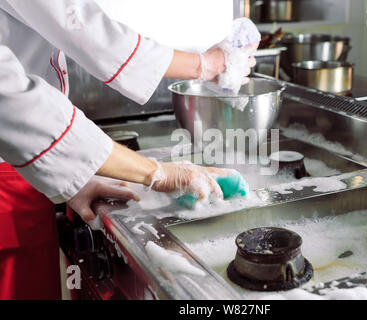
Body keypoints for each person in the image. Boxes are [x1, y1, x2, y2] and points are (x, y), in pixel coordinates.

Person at [0, 0, 258, 299]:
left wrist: (72, 175)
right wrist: (157, 172)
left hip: (20, 172)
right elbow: (13, 103)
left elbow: (74, 20)